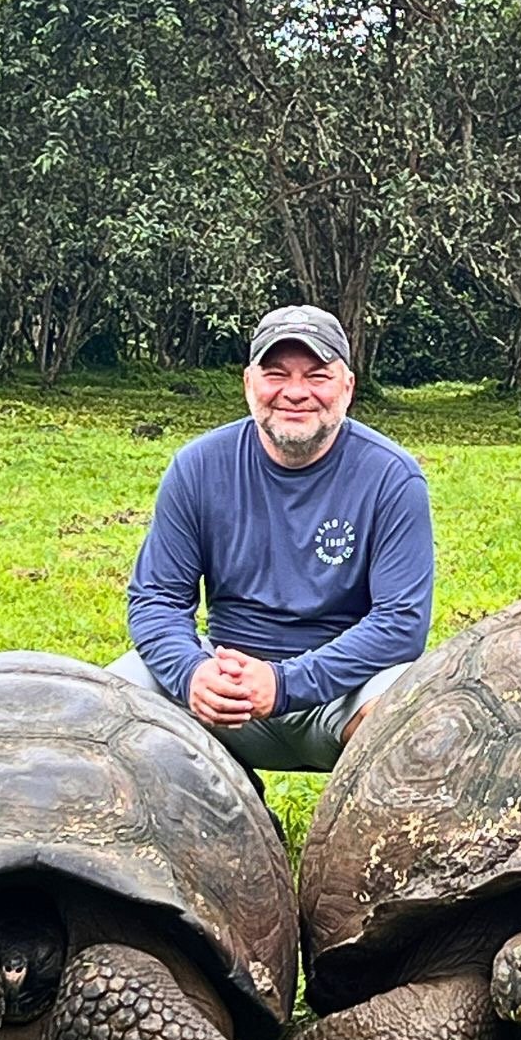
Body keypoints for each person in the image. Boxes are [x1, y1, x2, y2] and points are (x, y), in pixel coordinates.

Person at [109, 304, 434, 773]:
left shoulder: (391, 477)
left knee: (409, 721)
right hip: (221, 685)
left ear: (347, 386)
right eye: (276, 374)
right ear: (248, 384)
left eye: (317, 376)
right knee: (104, 704)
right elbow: (156, 597)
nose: (295, 393)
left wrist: (284, 684)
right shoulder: (199, 467)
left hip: (341, 694)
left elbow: (401, 624)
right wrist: (192, 673)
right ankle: (217, 823)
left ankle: (365, 843)